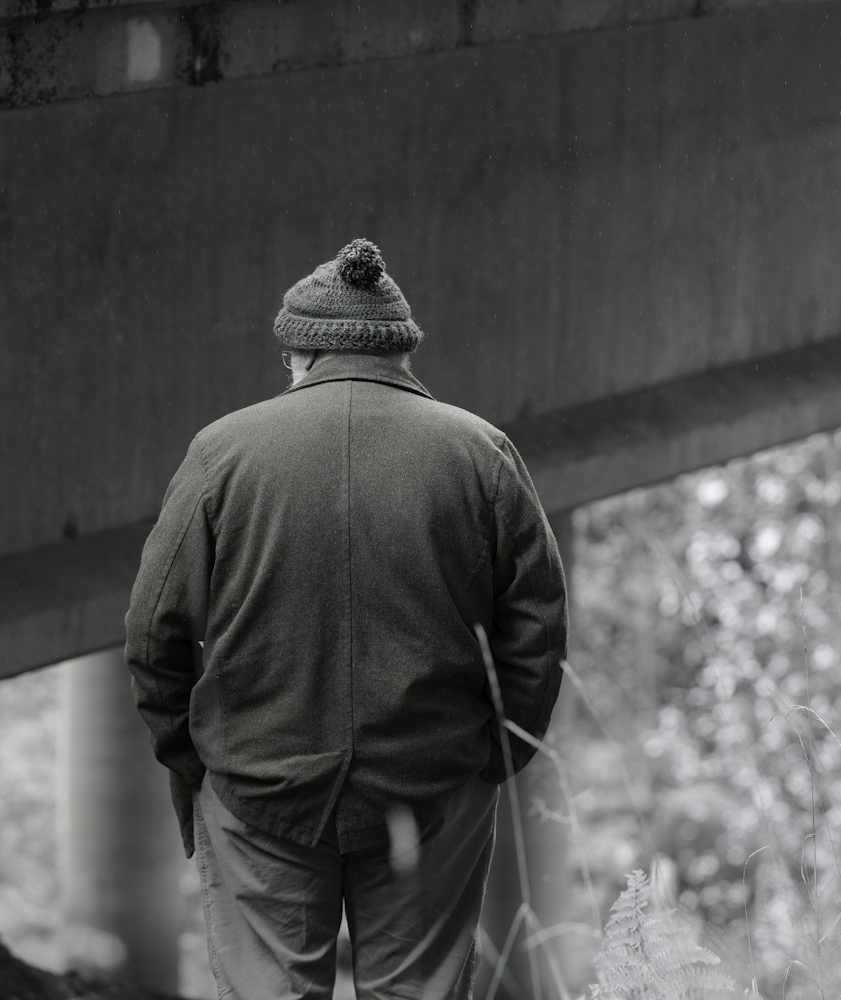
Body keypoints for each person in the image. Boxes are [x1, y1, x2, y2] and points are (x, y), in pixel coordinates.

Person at [124, 237, 569, 1000]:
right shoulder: (480, 453)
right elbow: (537, 626)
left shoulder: (222, 452)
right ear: (401, 355)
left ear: (296, 356)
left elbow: (153, 631)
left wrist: (198, 760)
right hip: (430, 792)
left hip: (259, 791)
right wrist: (492, 755)